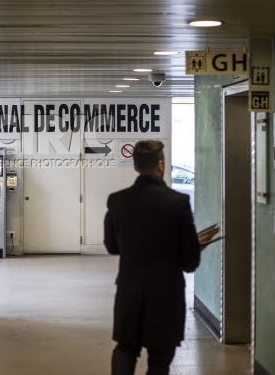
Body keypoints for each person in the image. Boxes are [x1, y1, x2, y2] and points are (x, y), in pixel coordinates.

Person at [104, 140, 215, 375]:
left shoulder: (117, 200)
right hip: (166, 295)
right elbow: (189, 261)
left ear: (135, 165)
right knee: (160, 357)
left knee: (125, 348)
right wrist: (194, 246)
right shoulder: (178, 203)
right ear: (161, 165)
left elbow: (112, 247)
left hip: (130, 290)